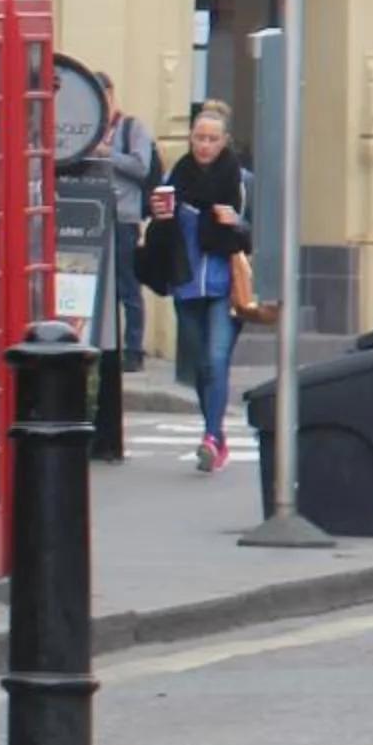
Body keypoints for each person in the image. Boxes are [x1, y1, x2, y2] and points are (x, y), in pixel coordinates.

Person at [144, 101, 250, 473]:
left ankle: (209, 436)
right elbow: (159, 231)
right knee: (203, 366)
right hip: (186, 282)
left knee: (218, 359)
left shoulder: (239, 181)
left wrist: (236, 223)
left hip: (224, 285)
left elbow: (260, 236)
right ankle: (216, 435)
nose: (204, 145)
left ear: (225, 142)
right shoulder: (178, 176)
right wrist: (159, 215)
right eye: (198, 138)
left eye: (212, 139)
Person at [96, 73, 160, 372]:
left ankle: (133, 349)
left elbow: (140, 165)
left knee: (128, 286)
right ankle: (101, 345)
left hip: (124, 217)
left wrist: (107, 154)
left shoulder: (131, 127)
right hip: (94, 216)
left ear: (110, 94)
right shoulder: (90, 129)